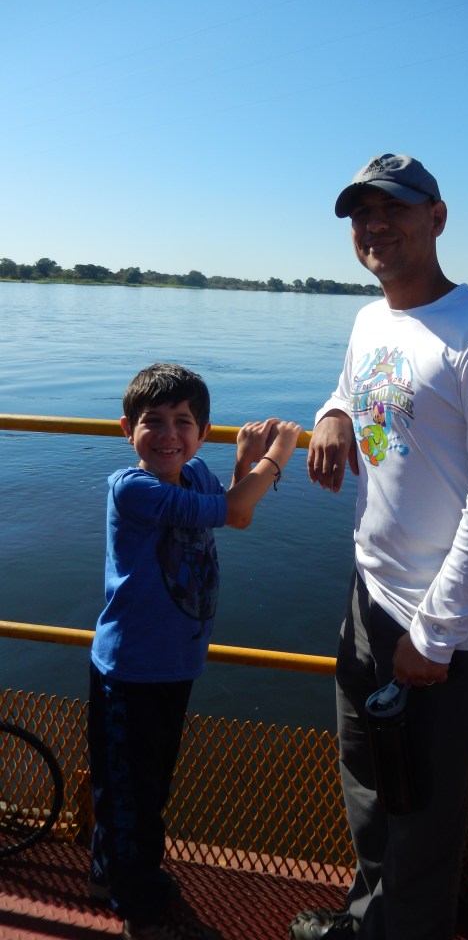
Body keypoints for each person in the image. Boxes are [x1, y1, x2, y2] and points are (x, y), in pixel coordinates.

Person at [289, 154, 468, 940]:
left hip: (445, 630)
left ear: (437, 217)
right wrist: (333, 414)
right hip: (369, 599)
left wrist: (433, 634)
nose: (375, 226)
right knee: (366, 788)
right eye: (362, 214)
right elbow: (354, 386)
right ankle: (370, 922)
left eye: (393, 209)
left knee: (425, 820)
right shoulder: (371, 319)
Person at [87, 362, 300, 940]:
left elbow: (236, 509)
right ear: (126, 430)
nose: (168, 435)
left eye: (183, 422)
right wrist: (276, 457)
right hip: (130, 669)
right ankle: (144, 914)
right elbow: (236, 510)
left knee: (138, 785)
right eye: (152, 422)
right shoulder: (133, 489)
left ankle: (109, 876)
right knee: (135, 797)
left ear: (202, 434)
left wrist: (242, 467)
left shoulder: (198, 476)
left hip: (173, 666)